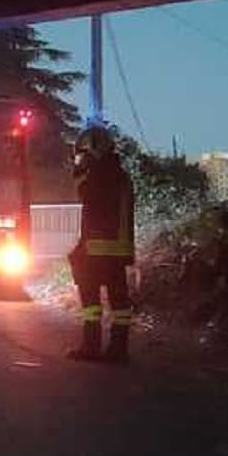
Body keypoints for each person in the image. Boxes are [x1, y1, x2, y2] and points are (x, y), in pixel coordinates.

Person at [66, 126, 136, 364]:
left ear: (92, 151)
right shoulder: (122, 176)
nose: (80, 159)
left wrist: (81, 172)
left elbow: (86, 197)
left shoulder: (97, 175)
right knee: (119, 304)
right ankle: (118, 350)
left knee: (91, 302)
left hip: (97, 250)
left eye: (82, 154)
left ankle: (91, 347)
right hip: (119, 251)